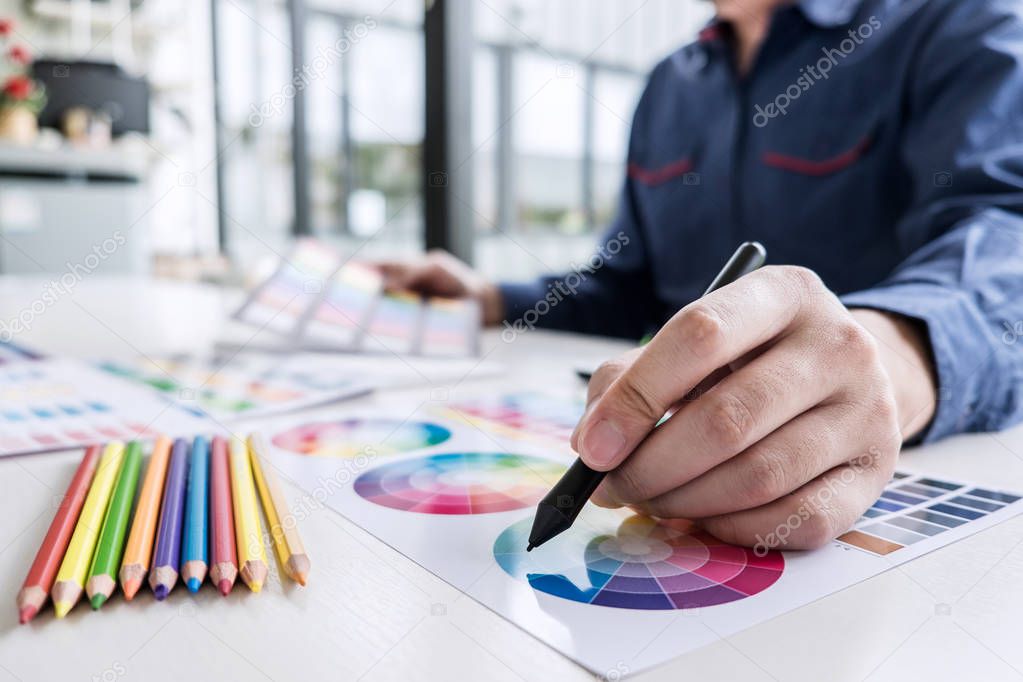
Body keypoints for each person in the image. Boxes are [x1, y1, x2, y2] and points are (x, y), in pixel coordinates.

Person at [377, 0, 1023, 550]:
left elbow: (1004, 233)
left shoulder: (954, 21)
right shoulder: (668, 87)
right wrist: (491, 298)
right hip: (688, 470)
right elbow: (626, 286)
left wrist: (896, 359)